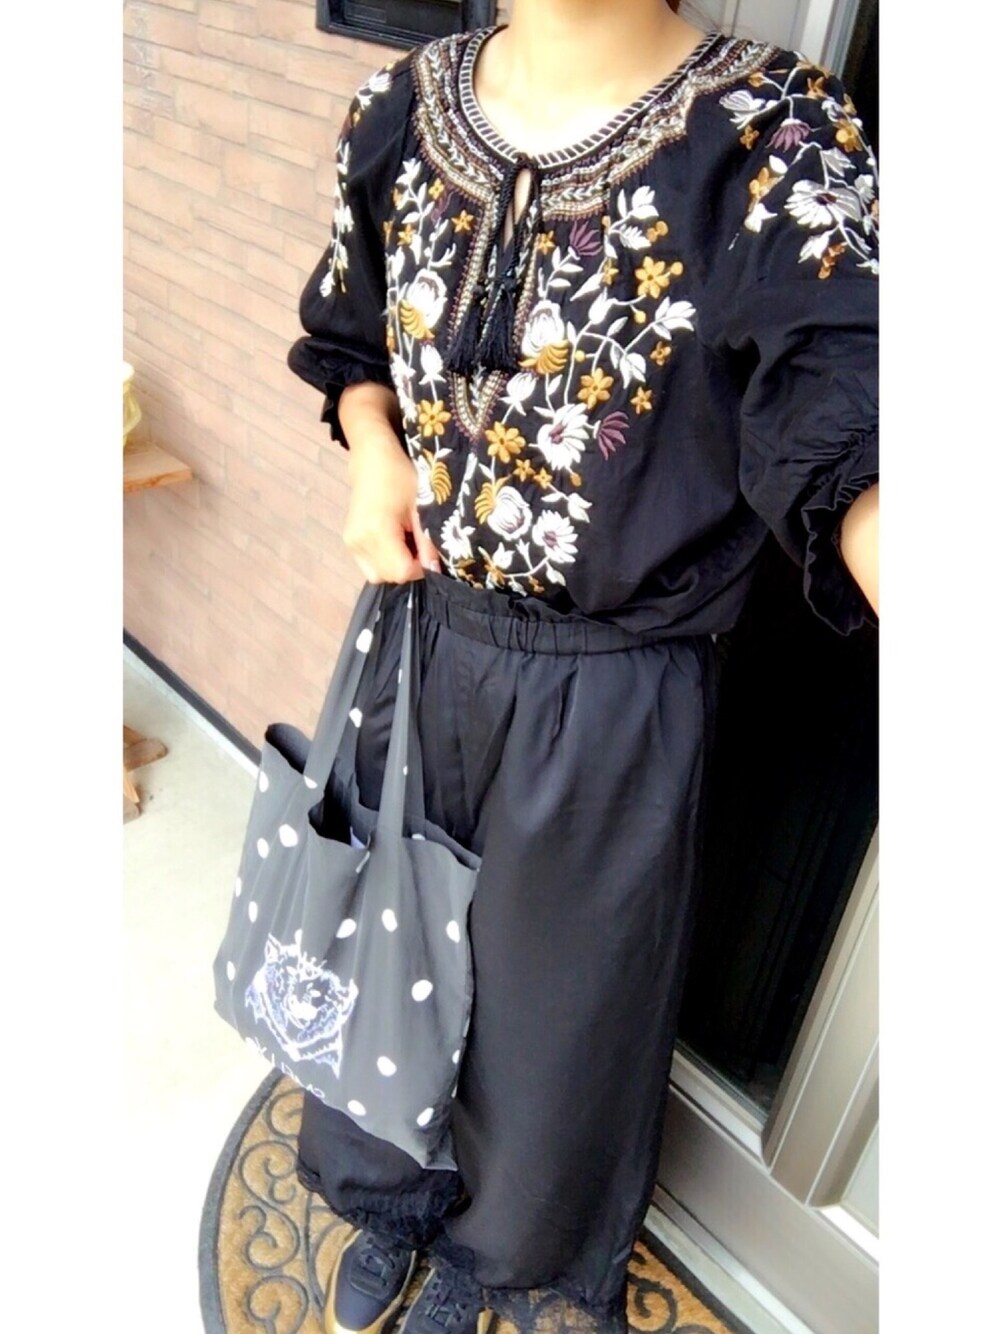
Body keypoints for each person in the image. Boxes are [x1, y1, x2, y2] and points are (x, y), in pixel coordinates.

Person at [285, 3, 879, 1333]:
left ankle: (494, 1249)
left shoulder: (772, 135)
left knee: (551, 1018)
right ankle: (387, 1195)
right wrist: (375, 449)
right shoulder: (400, 107)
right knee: (383, 937)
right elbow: (353, 335)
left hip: (612, 684)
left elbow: (850, 406)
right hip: (419, 634)